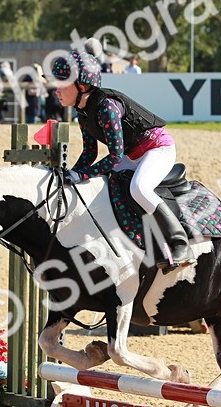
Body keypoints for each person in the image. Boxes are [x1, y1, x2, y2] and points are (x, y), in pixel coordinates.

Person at [52, 49, 189, 271]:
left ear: (82, 86)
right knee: (101, 186)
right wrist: (72, 175)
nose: (56, 90)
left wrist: (80, 174)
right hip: (131, 154)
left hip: (157, 149)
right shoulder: (83, 112)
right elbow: (90, 153)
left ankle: (179, 242)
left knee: (139, 188)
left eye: (62, 83)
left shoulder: (106, 106)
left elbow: (114, 157)